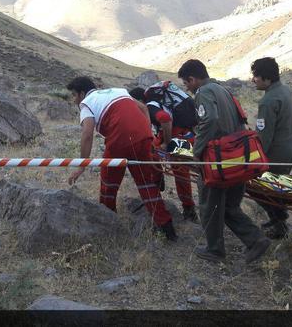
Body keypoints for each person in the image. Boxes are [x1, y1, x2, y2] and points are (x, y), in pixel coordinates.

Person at [177, 59, 270, 263]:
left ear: (192, 79)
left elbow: (208, 120)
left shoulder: (203, 93)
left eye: (186, 83)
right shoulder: (223, 89)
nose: (188, 88)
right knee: (229, 206)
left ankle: (215, 249)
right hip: (238, 157)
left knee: (210, 205)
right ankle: (255, 240)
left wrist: (198, 150)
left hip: (218, 160)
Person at [66, 77, 177, 240]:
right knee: (147, 184)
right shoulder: (118, 90)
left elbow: (87, 134)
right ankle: (168, 230)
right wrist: (148, 135)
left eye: (74, 95)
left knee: (108, 184)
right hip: (143, 138)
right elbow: (144, 109)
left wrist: (81, 166)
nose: (74, 100)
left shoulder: (87, 103)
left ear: (82, 93)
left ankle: (108, 223)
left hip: (119, 139)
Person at [130, 84, 198, 222]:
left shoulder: (150, 107)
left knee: (183, 173)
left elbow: (165, 119)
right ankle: (160, 181)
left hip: (179, 140)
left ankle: (188, 209)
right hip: (185, 136)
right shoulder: (157, 104)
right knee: (183, 171)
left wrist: (167, 144)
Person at [251, 57, 292, 239]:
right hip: (291, 146)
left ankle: (279, 222)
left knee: (257, 186)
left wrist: (254, 159)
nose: (253, 80)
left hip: (277, 152)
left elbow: (265, 137)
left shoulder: (268, 101)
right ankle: (278, 218)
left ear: (266, 78)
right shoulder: (287, 90)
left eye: (256, 76)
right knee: (275, 187)